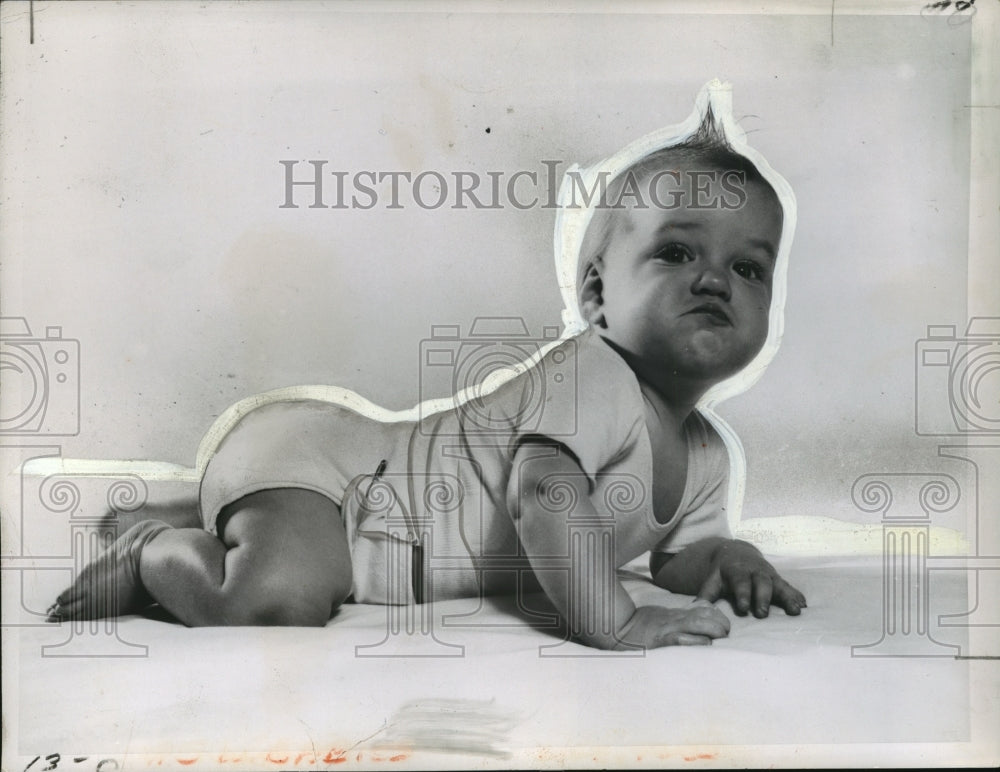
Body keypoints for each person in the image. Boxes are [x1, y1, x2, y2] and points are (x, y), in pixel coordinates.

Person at [47, 97, 806, 650]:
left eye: (748, 267)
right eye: (677, 252)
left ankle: (208, 509)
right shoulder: (595, 375)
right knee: (276, 603)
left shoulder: (706, 453)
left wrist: (731, 559)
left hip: (338, 495)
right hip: (335, 477)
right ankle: (152, 552)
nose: (714, 281)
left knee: (300, 560)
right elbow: (546, 495)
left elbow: (680, 558)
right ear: (598, 295)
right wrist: (618, 619)